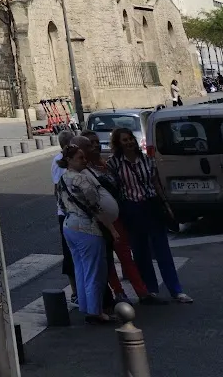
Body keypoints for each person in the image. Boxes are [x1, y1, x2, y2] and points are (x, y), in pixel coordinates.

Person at [108, 127, 190, 304]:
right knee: (140, 251)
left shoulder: (147, 160)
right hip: (131, 208)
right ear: (118, 143)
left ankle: (176, 290)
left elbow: (156, 183)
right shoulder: (114, 164)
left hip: (151, 205)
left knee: (162, 249)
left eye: (130, 138)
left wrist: (166, 204)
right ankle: (150, 289)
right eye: (124, 140)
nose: (129, 142)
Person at [79, 133, 151, 305]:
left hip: (118, 217)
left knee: (125, 255)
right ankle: (118, 292)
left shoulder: (106, 163)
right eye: (91, 144)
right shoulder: (84, 170)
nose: (96, 146)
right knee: (108, 259)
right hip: (101, 221)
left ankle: (142, 292)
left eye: (97, 142)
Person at [57, 142, 117, 324]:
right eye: (80, 158)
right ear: (69, 160)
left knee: (80, 269)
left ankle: (86, 306)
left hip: (69, 226)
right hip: (87, 228)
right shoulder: (82, 180)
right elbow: (96, 207)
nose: (84, 161)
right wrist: (112, 229)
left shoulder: (62, 179)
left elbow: (61, 204)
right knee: (94, 271)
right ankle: (95, 311)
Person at [51, 129, 77, 303]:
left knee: (69, 253)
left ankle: (76, 292)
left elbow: (55, 188)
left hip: (63, 212)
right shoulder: (65, 161)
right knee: (72, 254)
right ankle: (76, 292)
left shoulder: (56, 160)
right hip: (70, 213)